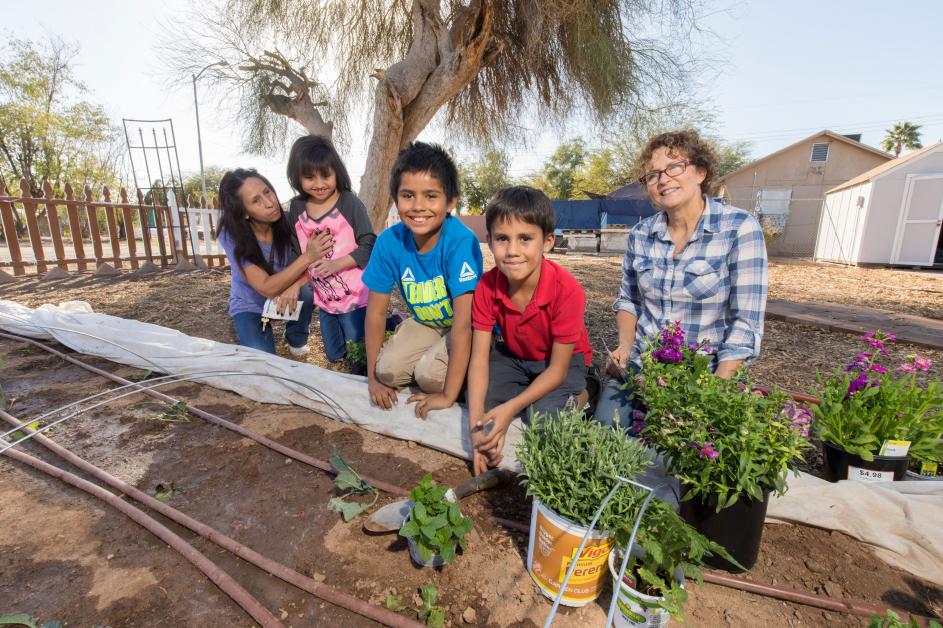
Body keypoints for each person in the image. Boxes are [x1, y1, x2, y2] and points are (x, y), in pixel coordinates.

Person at [594, 129, 768, 505]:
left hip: (700, 378)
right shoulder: (642, 234)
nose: (663, 180)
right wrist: (624, 347)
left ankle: (645, 543)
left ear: (701, 171)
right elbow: (629, 300)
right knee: (603, 442)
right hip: (641, 369)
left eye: (674, 167)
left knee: (661, 463)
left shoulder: (738, 229)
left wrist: (710, 397)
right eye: (653, 175)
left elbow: (746, 324)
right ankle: (603, 520)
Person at [466, 186, 592, 474]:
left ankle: (585, 393)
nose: (512, 251)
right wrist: (476, 432)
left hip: (562, 361)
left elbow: (557, 370)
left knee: (542, 416)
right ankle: (524, 395)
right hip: (515, 356)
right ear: (489, 241)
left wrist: (510, 409)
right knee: (481, 404)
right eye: (502, 239)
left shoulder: (566, 289)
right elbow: (478, 361)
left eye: (525, 239)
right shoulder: (487, 286)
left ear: (547, 241)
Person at [361, 142, 483, 418]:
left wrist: (448, 396)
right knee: (387, 370)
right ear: (395, 198)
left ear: (451, 201)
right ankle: (427, 352)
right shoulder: (388, 242)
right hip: (427, 322)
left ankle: (466, 374)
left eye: (430, 196)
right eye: (407, 195)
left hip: (466, 326)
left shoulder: (460, 242)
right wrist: (372, 378)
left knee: (429, 377)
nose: (418, 207)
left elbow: (464, 324)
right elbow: (376, 313)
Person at [285, 135, 377, 362]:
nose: (319, 184)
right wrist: (294, 284)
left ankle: (390, 322)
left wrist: (336, 264)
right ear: (297, 177)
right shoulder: (297, 209)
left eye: (326, 175)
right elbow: (297, 253)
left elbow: (369, 244)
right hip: (324, 299)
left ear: (337, 172)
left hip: (356, 297)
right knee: (335, 355)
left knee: (358, 357)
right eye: (309, 177)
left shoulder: (348, 203)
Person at [216, 168, 327, 355]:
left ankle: (296, 337)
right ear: (243, 212)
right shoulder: (231, 234)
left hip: (286, 295)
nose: (270, 203)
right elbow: (266, 288)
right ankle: (258, 331)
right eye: (255, 201)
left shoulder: (292, 221)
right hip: (250, 304)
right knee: (263, 362)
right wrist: (308, 256)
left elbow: (320, 263)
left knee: (306, 290)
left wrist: (297, 283)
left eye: (267, 192)